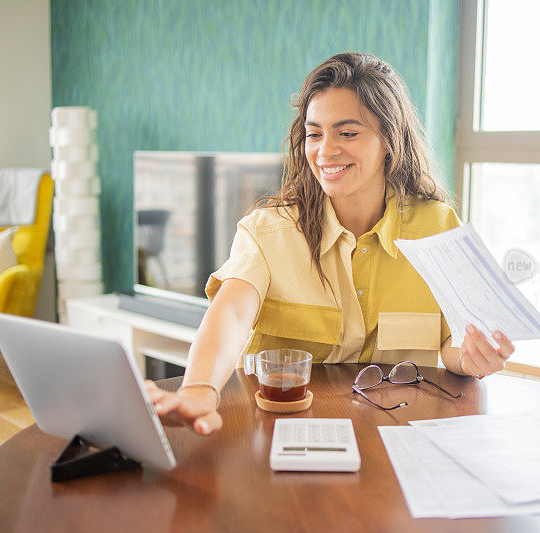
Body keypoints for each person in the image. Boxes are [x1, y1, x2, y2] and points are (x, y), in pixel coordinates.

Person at [145, 52, 515, 435]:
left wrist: (472, 358)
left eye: (348, 133)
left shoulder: (437, 227)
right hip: (281, 432)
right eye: (315, 133)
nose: (325, 151)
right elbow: (231, 314)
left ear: (389, 138)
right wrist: (199, 391)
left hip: (399, 432)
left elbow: (452, 339)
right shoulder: (269, 230)